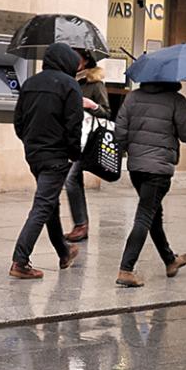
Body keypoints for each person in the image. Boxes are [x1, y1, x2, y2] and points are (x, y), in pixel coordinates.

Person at [111, 77, 186, 287]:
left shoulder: (132, 98)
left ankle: (170, 260)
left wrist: (131, 151)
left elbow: (120, 132)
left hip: (136, 168)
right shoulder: (176, 101)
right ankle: (126, 269)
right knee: (145, 216)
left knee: (153, 215)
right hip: (158, 170)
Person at [9, 42, 86, 280]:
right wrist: (74, 152)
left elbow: (18, 122)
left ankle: (64, 252)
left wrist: (31, 143)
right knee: (43, 205)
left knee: (50, 203)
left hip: (34, 154)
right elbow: (74, 125)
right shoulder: (70, 86)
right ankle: (20, 261)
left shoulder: (30, 84)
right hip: (56, 156)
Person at [64, 52, 108, 244]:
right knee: (74, 180)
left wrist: (92, 105)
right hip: (70, 138)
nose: (74, 61)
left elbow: (107, 113)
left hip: (86, 140)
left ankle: (81, 225)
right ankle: (81, 224)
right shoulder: (69, 81)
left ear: (87, 61)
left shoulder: (95, 83)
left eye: (78, 58)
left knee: (71, 179)